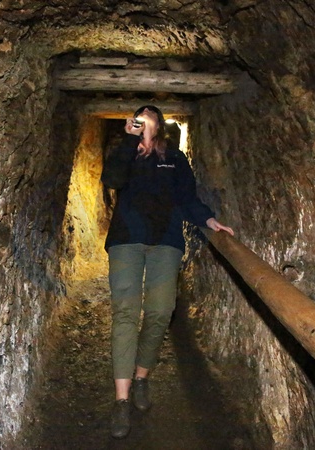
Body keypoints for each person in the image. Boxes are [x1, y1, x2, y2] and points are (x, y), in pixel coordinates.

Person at [100, 105, 234, 439]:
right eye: (139, 115)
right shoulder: (125, 152)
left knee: (160, 311)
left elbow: (187, 197)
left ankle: (141, 377)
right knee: (125, 312)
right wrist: (129, 141)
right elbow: (112, 179)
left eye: (151, 115)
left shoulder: (174, 158)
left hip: (166, 241)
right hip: (126, 240)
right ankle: (121, 399)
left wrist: (208, 219)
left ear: (159, 124)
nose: (145, 118)